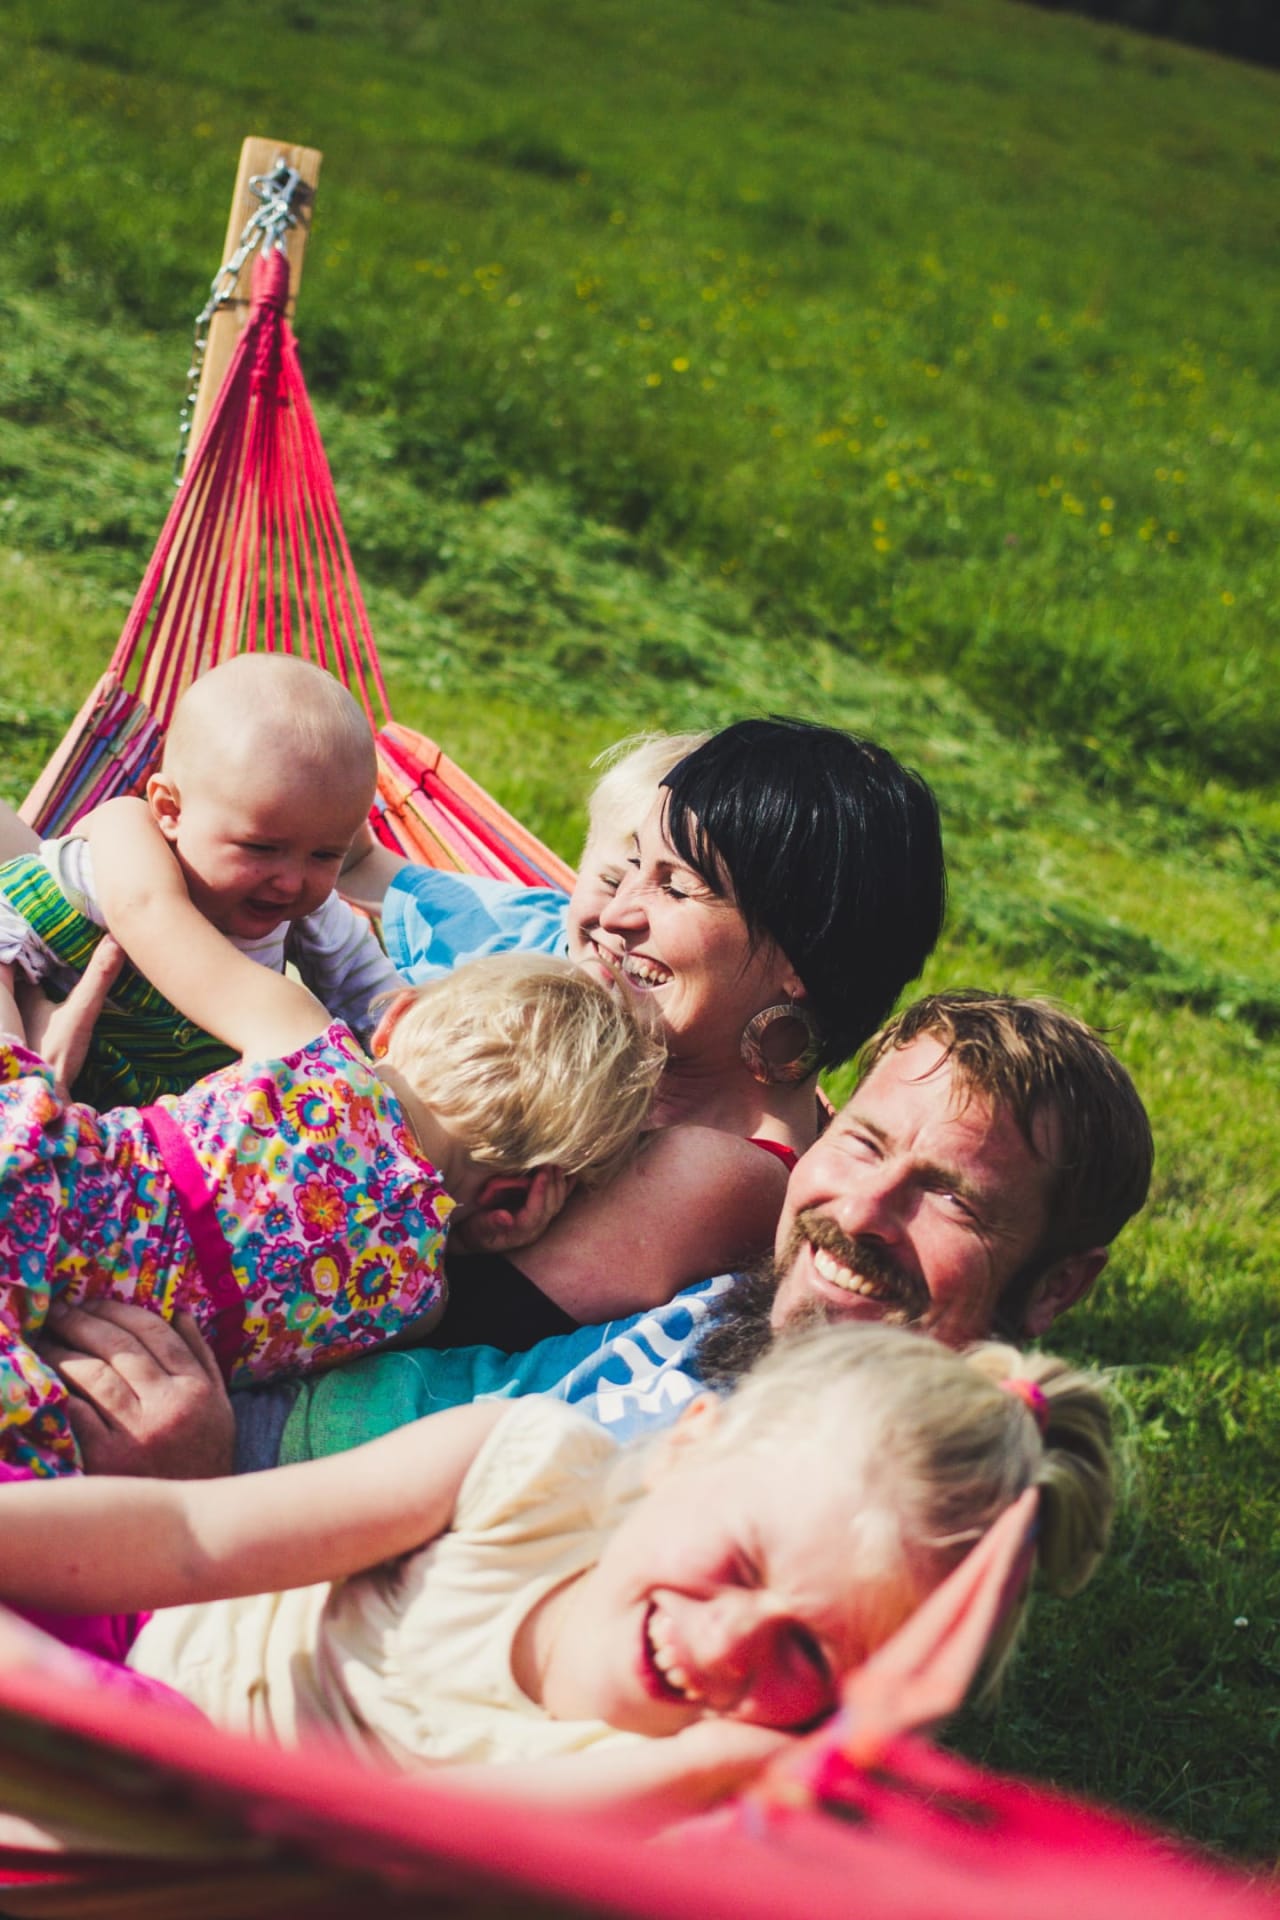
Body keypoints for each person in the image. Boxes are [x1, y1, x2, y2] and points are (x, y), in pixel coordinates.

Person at [0, 1321, 1115, 1816]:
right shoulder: (521, 1467)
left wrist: (714, 1765)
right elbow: (192, 1538)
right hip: (136, 1633)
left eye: (808, 1655)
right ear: (684, 1447)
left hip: (183, 1832)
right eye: (738, 1562)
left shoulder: (656, 1788)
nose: (727, 1642)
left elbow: (413, 1842)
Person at [44, 990, 1152, 1477]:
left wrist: (195, 1479)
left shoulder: (830, 1498)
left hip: (174, 1489)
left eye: (950, 1199)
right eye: (862, 1145)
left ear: (1057, 1285)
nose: (859, 1212)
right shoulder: (741, 1300)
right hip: (196, 1370)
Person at [0, 791, 663, 1474]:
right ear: (514, 1203)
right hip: (39, 1367)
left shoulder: (306, 1042)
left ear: (394, 1017)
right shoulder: (417, 1301)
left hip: (27, 1174)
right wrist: (500, 1231)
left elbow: (147, 910)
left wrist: (124, 815)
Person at [425, 718, 948, 1347]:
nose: (616, 913)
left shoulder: (722, 1172)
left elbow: (417, 1324)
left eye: (675, 887)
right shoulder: (629, 1076)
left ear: (800, 960)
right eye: (631, 866)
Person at [0, 655, 403, 1106]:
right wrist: (13, 1050)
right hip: (47, 1093)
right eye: (260, 848)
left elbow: (379, 1001)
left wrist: (410, 1045)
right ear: (170, 810)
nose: (291, 882)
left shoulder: (311, 917)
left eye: (325, 855)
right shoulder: (102, 871)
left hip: (169, 1128)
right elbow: (8, 916)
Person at [343, 730, 709, 992]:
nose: (618, 920)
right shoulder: (506, 925)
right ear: (583, 864)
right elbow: (359, 863)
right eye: (611, 884)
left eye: (676, 893)